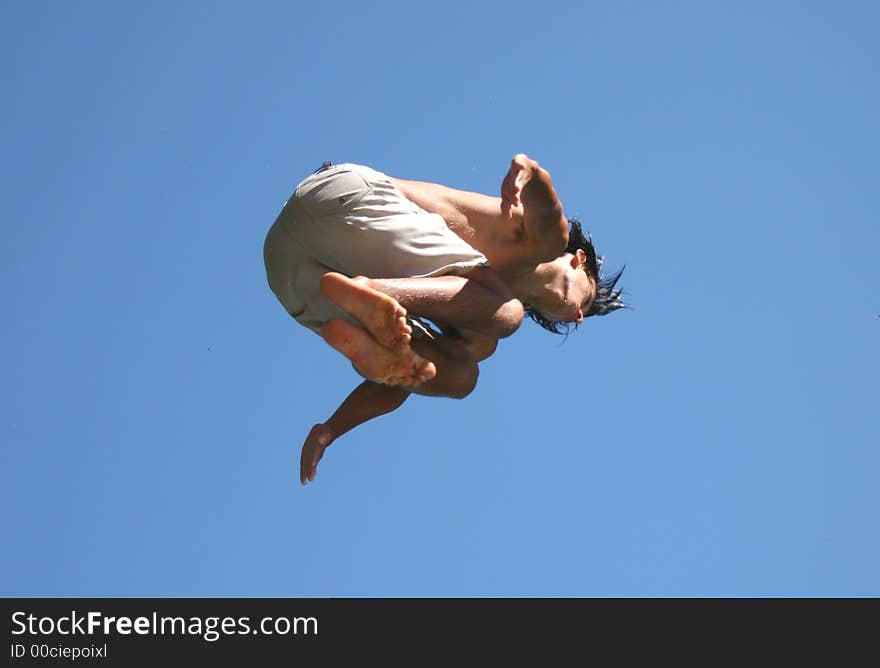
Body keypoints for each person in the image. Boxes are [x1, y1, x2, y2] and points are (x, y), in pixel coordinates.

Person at [263, 155, 625, 484]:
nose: (578, 314)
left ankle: (372, 303)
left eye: (582, 317)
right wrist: (528, 172)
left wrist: (331, 429)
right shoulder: (539, 243)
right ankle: (374, 291)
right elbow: (551, 216)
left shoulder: (475, 322)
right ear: (577, 259)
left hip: (289, 269)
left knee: (460, 373)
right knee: (506, 314)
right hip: (347, 201)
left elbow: (399, 381)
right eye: (587, 299)